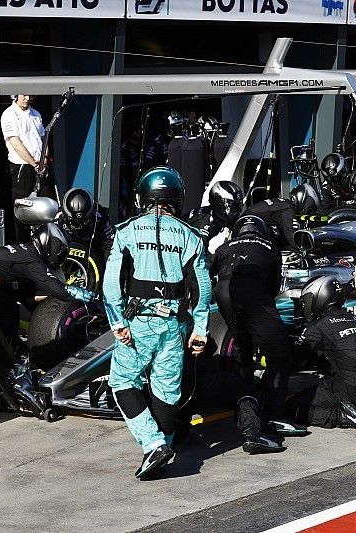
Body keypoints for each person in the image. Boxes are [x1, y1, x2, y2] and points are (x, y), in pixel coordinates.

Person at [103, 166, 211, 480]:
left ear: (143, 197)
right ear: (176, 197)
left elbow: (111, 284)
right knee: (166, 390)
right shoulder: (191, 236)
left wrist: (117, 321)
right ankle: (163, 447)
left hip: (139, 323)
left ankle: (153, 444)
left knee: (122, 382)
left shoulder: (127, 231)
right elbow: (201, 288)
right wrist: (201, 328)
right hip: (175, 325)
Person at [212, 214, 307, 454]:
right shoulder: (270, 247)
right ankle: (273, 414)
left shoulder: (224, 247)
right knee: (280, 355)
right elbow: (274, 289)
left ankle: (245, 404)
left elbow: (209, 270)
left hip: (223, 293)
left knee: (241, 352)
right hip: (254, 294)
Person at [0, 223, 95, 350]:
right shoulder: (32, 261)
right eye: (60, 251)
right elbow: (59, 290)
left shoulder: (27, 250)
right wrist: (83, 295)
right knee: (8, 321)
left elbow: (25, 291)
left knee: (14, 302)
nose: (61, 256)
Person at [286, 276, 356, 430]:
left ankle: (339, 417)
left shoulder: (320, 326)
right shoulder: (354, 319)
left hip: (349, 393)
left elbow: (294, 356)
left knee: (291, 408)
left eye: (306, 300)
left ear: (319, 297)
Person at [0, 94, 55, 243]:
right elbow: (15, 143)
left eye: (29, 95)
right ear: (15, 96)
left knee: (46, 203)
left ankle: (46, 241)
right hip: (22, 167)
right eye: (23, 95)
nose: (27, 98)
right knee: (23, 207)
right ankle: (24, 244)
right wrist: (33, 162)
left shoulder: (36, 113)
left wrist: (44, 159)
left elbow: (43, 137)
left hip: (40, 165)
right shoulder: (8, 115)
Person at [58, 187, 115, 268]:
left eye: (83, 221)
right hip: (66, 250)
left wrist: (108, 268)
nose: (79, 225)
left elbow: (108, 242)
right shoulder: (58, 217)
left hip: (92, 248)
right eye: (75, 222)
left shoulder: (100, 216)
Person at [245, 185, 313, 252]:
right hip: (249, 227)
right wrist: (304, 250)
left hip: (247, 222)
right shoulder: (287, 210)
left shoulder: (284, 204)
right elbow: (290, 235)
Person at [186, 180, 244, 256]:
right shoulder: (203, 222)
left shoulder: (219, 217)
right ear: (220, 203)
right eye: (234, 207)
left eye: (238, 207)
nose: (236, 212)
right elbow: (197, 253)